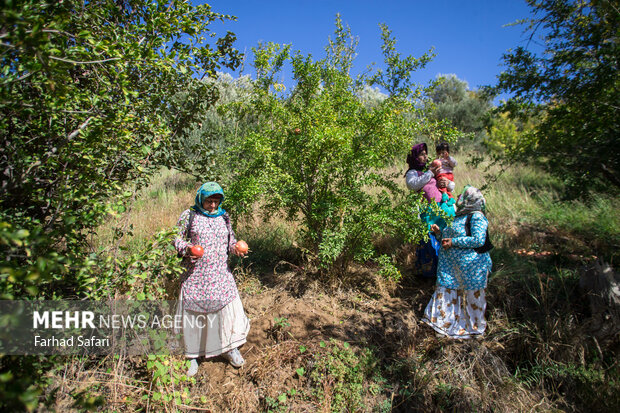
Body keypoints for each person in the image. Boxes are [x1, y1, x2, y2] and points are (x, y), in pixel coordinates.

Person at [173, 182, 250, 376]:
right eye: (209, 201)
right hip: (195, 275)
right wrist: (188, 249)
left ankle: (228, 348)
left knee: (225, 311)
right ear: (201, 198)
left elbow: (230, 240)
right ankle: (192, 355)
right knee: (194, 314)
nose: (213, 206)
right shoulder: (189, 216)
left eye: (216, 201)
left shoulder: (223, 216)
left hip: (220, 274)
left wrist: (236, 248)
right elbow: (176, 239)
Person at [422, 185, 492, 339]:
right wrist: (439, 234)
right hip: (451, 269)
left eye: (462, 195)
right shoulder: (458, 216)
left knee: (472, 298)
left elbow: (478, 240)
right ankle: (445, 326)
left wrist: (453, 242)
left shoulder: (477, 217)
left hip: (471, 268)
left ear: (470, 200)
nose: (458, 197)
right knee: (448, 294)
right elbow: (448, 240)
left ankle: (472, 329)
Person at [405, 143, 456, 278]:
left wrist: (447, 183)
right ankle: (429, 275)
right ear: (415, 157)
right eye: (422, 154)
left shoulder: (432, 170)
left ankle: (445, 273)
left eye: (426, 153)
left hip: (441, 212)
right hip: (427, 215)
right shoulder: (413, 173)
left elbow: (450, 186)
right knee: (429, 243)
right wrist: (430, 173)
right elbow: (413, 185)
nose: (425, 156)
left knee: (444, 241)